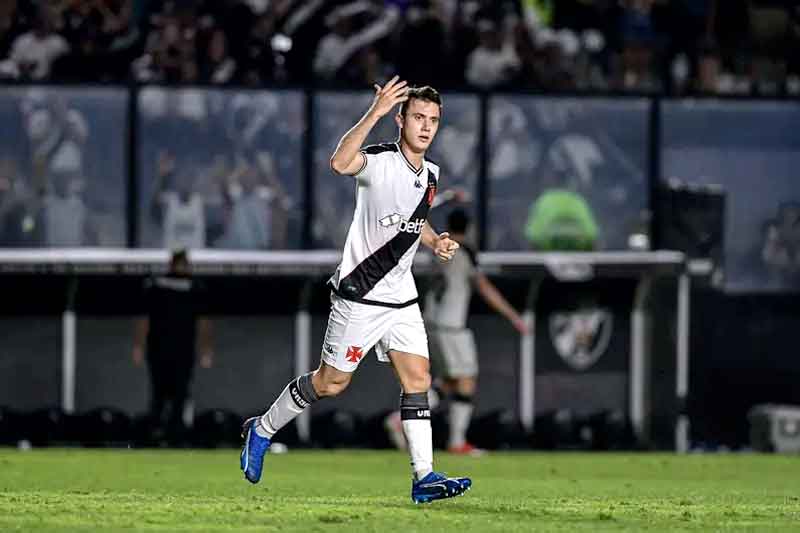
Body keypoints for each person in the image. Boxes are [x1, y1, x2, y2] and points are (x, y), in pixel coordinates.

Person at [240, 79, 472, 504]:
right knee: (331, 383)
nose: (425, 127)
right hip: (361, 293)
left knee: (418, 378)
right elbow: (339, 163)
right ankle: (262, 428)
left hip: (401, 296)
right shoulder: (381, 159)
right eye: (418, 117)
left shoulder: (432, 173)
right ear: (401, 119)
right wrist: (375, 111)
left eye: (433, 121)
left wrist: (436, 240)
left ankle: (424, 478)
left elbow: (414, 219)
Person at [387, 209, 529, 455]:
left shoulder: (438, 249)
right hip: (452, 326)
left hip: (430, 322)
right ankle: (449, 439)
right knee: (466, 380)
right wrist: (514, 317)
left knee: (449, 382)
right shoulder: (464, 252)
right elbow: (484, 287)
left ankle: (410, 423)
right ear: (469, 228)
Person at [133, 249, 214, 445]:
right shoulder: (156, 286)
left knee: (179, 393)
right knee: (160, 393)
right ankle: (157, 433)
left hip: (182, 350)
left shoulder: (195, 288)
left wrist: (205, 348)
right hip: (159, 349)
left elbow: (204, 322)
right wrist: (139, 346)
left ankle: (175, 434)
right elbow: (144, 320)